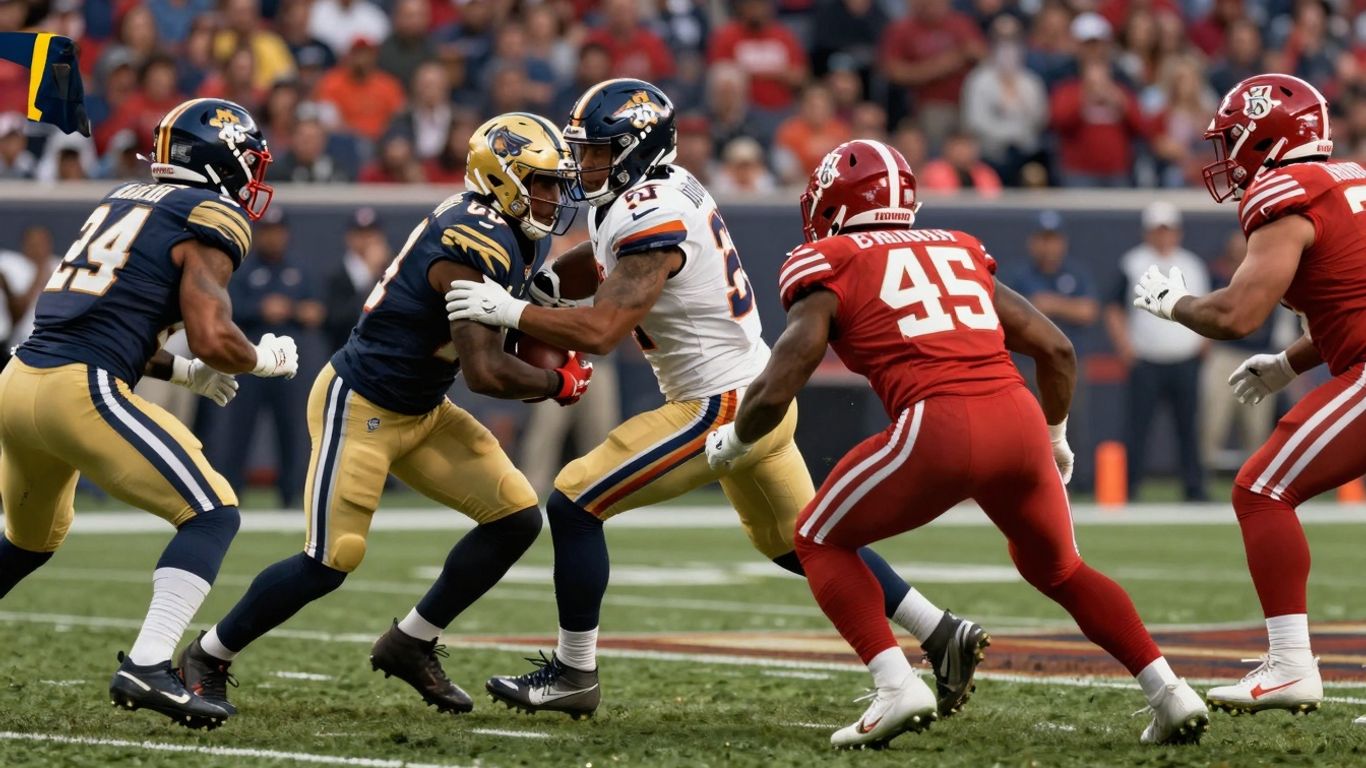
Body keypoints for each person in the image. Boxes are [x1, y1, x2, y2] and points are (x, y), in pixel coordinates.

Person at [446, 80, 990, 722]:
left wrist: (512, 309)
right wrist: (542, 286)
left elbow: (603, 328)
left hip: (720, 403)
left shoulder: (649, 210)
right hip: (753, 388)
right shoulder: (648, 195)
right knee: (802, 541)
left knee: (573, 501)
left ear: (637, 149)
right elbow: (602, 265)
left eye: (597, 152)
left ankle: (574, 672)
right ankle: (939, 630)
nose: (583, 166)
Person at [706, 139, 1208, 749]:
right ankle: (1169, 690)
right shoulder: (958, 248)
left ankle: (895, 684)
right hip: (1019, 420)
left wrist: (736, 438)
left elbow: (788, 369)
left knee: (815, 535)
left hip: (938, 423)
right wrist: (1055, 434)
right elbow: (1056, 349)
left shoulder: (831, 259)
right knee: (1061, 568)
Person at [180, 113, 593, 720]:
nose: (553, 197)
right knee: (332, 559)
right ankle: (208, 655)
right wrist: (558, 381)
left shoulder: (511, 231)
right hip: (363, 404)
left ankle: (411, 640)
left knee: (515, 519)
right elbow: (485, 371)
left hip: (423, 406)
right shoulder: (471, 240)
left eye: (557, 183)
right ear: (499, 178)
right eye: (542, 182)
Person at [0, 98, 299, 729]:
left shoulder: (122, 198)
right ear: (220, 159)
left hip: (20, 381)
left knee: (29, 541)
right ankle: (149, 662)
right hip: (77, 390)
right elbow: (217, 336)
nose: (252, 177)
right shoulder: (212, 214)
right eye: (248, 162)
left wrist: (186, 371)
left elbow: (114, 317)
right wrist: (261, 359)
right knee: (212, 512)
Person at [1131, 74, 1357, 717]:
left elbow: (1236, 315)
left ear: (1267, 134)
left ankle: (1290, 666)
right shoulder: (1352, 179)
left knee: (1261, 489)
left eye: (1234, 137)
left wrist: (1174, 304)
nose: (1229, 153)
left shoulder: (1287, 190)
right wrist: (1289, 363)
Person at [212, 206, 322, 508]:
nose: (272, 238)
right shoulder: (243, 270)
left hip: (288, 365)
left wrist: (291, 310)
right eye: (267, 232)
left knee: (291, 429)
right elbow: (227, 310)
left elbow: (315, 312)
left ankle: (291, 496)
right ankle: (230, 493)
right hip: (250, 361)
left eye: (277, 231)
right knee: (239, 430)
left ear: (285, 234)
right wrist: (262, 308)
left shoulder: (299, 269)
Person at [1106, 201, 1210, 501]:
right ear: (1148, 232)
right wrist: (1124, 345)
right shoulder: (1133, 262)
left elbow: (1208, 305)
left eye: (1168, 230)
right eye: (1158, 231)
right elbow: (1114, 308)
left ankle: (1194, 488)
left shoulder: (1191, 264)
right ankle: (1129, 487)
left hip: (1185, 358)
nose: (1164, 236)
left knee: (1189, 428)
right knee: (1137, 427)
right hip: (1146, 359)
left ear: (1177, 232)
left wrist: (1204, 343)